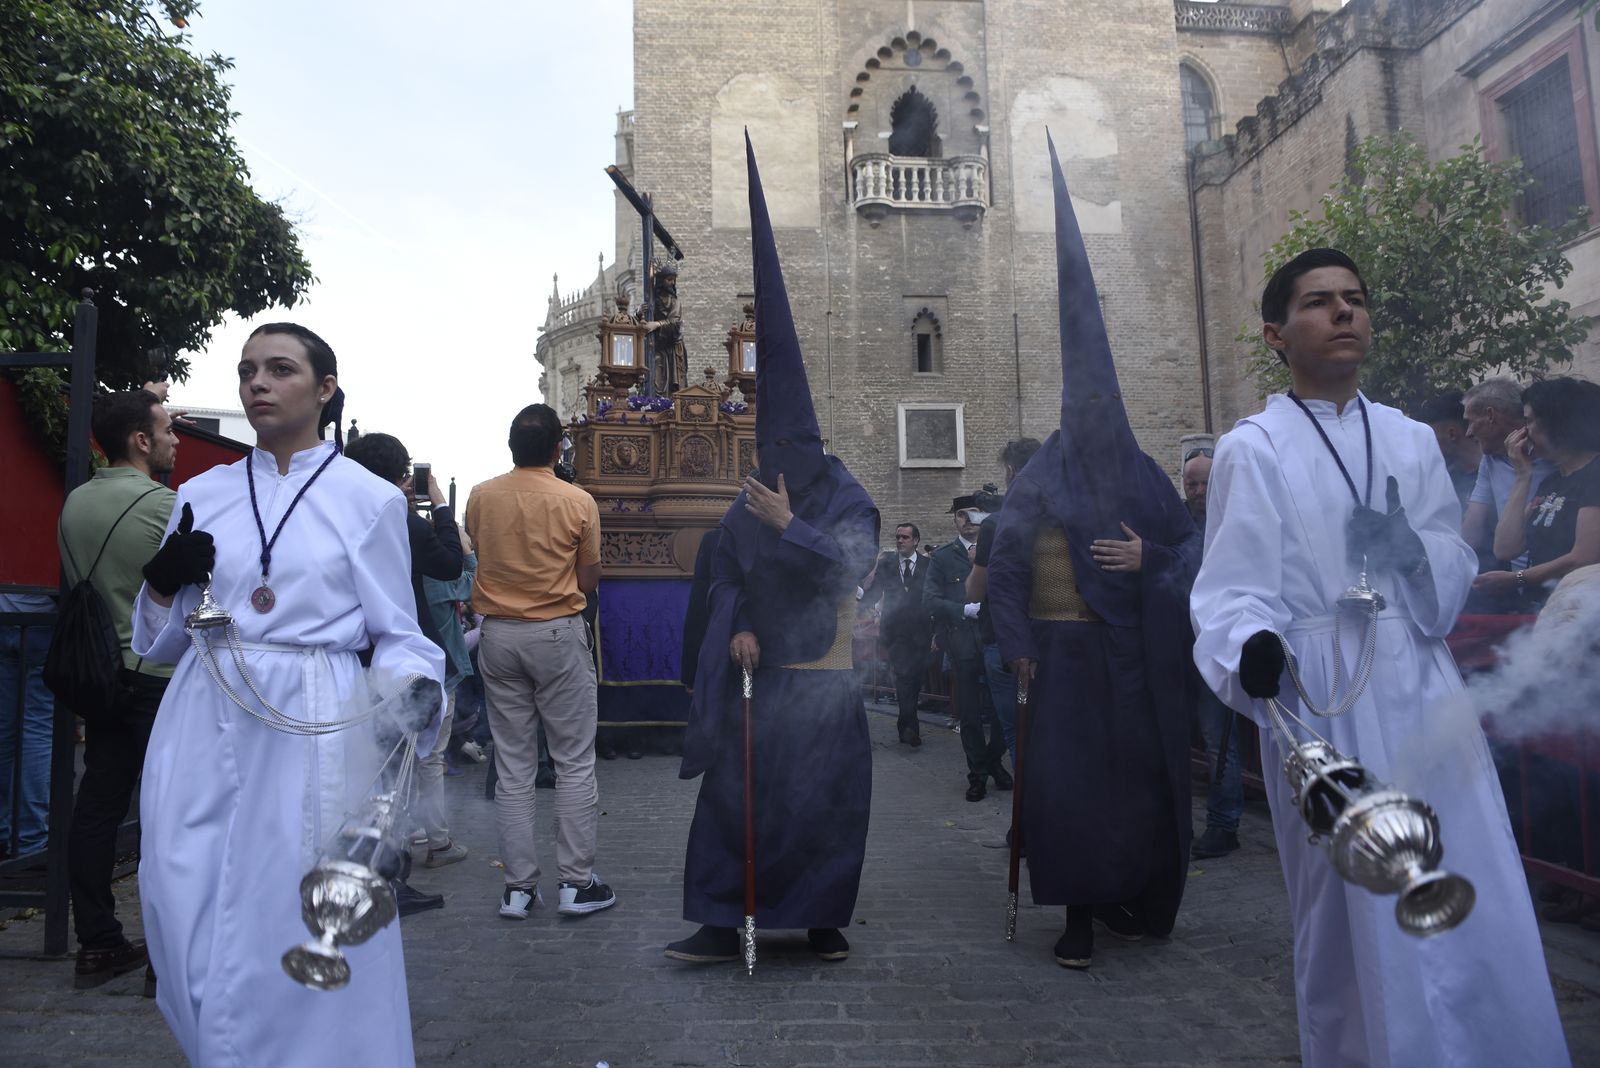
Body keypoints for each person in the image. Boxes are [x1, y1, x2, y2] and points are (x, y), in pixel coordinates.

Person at [1190, 248, 1569, 1066]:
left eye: (1355, 300)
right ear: (1276, 333)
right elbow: (1228, 588)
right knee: (1353, 901)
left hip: (1420, 683)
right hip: (1323, 696)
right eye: (1320, 301)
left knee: (1468, 872)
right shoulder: (1251, 449)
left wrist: (1408, 548)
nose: (1344, 313)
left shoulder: (1405, 438)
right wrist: (1250, 643)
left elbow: (1449, 562)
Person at [130, 323, 445, 1066]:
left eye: (279, 369)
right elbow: (164, 640)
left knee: (295, 904)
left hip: (314, 716)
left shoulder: (368, 499)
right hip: (207, 710)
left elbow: (397, 631)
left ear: (325, 389)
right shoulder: (201, 493)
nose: (257, 384)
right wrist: (162, 580)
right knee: (180, 896)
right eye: (247, 371)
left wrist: (413, 693)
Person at [663, 135, 879, 965]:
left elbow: (856, 561)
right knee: (736, 803)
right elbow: (723, 563)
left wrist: (796, 528)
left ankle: (822, 919)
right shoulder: (748, 494)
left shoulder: (841, 489)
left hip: (821, 682)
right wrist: (738, 619)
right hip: (760, 679)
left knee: (823, 805)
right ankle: (721, 921)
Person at [987, 139, 1200, 971]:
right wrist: (1017, 646)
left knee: (1134, 789)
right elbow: (1005, 569)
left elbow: (1189, 554)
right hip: (1063, 661)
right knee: (1069, 796)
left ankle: (1125, 893)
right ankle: (1074, 913)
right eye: (1089, 405)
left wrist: (1149, 556)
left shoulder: (1144, 474)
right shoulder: (1039, 477)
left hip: (1133, 662)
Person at [468, 403, 614, 921]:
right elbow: (589, 578)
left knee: (512, 765)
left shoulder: (482, 497)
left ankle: (518, 888)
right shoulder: (578, 501)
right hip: (555, 634)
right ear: (559, 449)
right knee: (574, 760)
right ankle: (576, 882)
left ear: (512, 447)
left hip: (499, 636)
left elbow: (480, 554)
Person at [56, 390, 178, 990]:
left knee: (98, 808)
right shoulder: (163, 505)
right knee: (168, 814)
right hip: (155, 678)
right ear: (140, 440)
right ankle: (164, 955)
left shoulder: (75, 501)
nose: (175, 440)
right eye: (166, 430)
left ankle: (96, 944)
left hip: (99, 676)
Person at [343, 431, 467, 908]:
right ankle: (386, 877)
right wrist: (437, 505)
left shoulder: (337, 512)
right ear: (400, 478)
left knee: (360, 768)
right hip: (392, 663)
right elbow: (449, 565)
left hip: (346, 661)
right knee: (393, 773)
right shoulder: (394, 517)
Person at [1474, 376, 1600, 610]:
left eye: (1529, 421)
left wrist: (1517, 579)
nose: (1524, 430)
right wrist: (1523, 476)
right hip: (1545, 612)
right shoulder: (1552, 482)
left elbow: (1584, 557)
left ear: (1557, 423)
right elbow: (1506, 548)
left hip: (1584, 617)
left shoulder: (1595, 474)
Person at [926, 496, 1011, 801]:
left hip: (994, 639)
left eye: (973, 515)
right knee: (971, 716)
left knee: (1005, 712)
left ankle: (992, 760)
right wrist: (962, 610)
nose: (967, 521)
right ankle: (977, 774)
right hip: (962, 643)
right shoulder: (943, 557)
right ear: (955, 520)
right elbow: (930, 600)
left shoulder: (1001, 547)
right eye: (961, 515)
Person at [1181, 451, 1244, 860]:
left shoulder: (1233, 521)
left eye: (1205, 483)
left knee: (1221, 743)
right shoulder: (1175, 522)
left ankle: (1224, 824)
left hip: (1218, 645)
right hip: (1177, 645)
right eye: (1192, 484)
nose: (1200, 492)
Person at [966, 439, 1044, 767]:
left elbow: (975, 592)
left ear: (1011, 471)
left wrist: (975, 563)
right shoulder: (1061, 513)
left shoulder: (995, 524)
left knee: (1018, 732)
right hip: (1050, 633)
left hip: (1005, 641)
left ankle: (1030, 810)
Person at [860, 522, 932, 747]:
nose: (900, 541)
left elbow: (933, 596)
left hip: (921, 633)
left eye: (905, 537)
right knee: (902, 677)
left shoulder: (929, 565)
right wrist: (858, 600)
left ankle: (906, 724)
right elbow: (874, 592)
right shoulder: (887, 564)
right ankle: (910, 729)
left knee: (915, 680)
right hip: (896, 633)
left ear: (916, 541)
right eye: (898, 537)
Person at [1414, 391, 1480, 511]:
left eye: (1427, 437)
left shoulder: (1496, 472)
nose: (1423, 446)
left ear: (1451, 434)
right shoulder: (1441, 480)